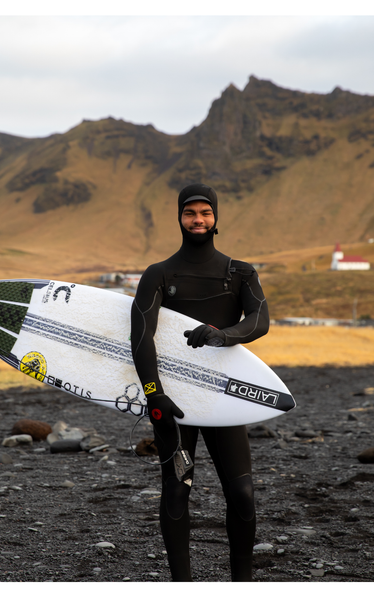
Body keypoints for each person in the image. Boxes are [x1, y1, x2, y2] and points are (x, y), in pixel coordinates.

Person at [130, 183, 269, 581]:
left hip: (222, 397)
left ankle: (242, 583)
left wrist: (223, 334)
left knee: (242, 492)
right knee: (177, 489)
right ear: (179, 217)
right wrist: (154, 394)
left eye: (205, 213)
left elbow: (259, 321)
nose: (198, 220)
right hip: (172, 401)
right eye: (190, 213)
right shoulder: (159, 274)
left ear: (216, 217)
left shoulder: (240, 273)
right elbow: (141, 336)